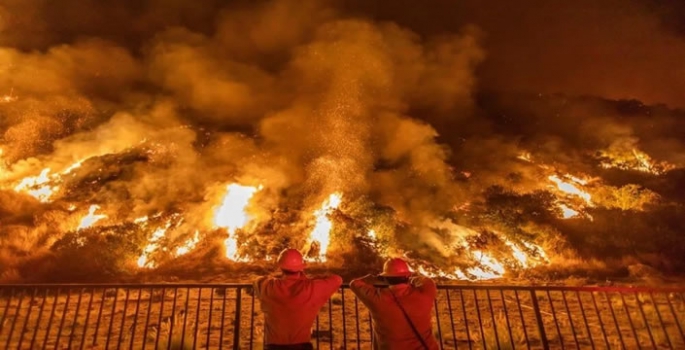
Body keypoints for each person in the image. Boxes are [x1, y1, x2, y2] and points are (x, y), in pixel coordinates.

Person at [253, 248, 343, 350]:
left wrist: (277, 278)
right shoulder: (312, 288)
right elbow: (337, 279)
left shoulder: (268, 286)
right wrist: (308, 278)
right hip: (301, 346)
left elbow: (258, 280)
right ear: (301, 267)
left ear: (280, 267)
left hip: (273, 346)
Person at [350, 258, 439, 350]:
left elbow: (354, 283)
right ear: (407, 276)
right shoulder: (425, 294)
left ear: (385, 278)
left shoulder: (377, 298)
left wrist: (375, 277)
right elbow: (427, 281)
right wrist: (410, 279)